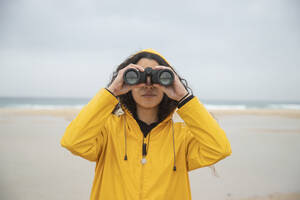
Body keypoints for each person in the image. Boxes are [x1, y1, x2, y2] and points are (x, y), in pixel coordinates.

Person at [60, 48, 232, 200]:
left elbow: (219, 149)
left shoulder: (182, 137)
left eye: (157, 78)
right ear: (127, 80)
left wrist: (183, 97)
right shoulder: (107, 130)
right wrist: (111, 92)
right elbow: (73, 142)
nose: (148, 85)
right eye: (139, 76)